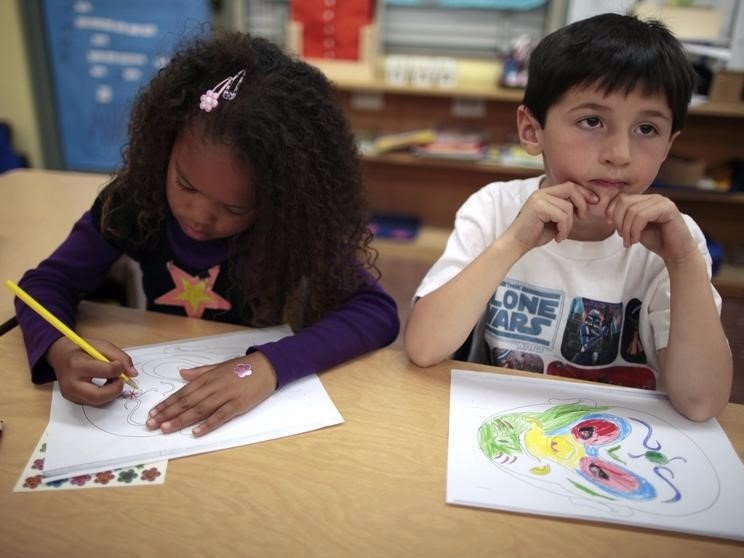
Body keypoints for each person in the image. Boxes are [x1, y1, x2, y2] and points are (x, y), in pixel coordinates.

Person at [15, 31, 400, 436]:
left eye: (233, 208)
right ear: (164, 148)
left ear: (278, 201)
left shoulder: (288, 229)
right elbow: (43, 284)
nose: (199, 216)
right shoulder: (137, 202)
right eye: (185, 185)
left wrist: (267, 366)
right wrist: (61, 348)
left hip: (248, 410)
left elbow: (376, 313)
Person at [404, 13, 732, 421]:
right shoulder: (493, 208)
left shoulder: (675, 241)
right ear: (531, 130)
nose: (620, 153)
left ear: (669, 145)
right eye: (592, 121)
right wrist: (513, 244)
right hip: (502, 425)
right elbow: (422, 347)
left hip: (618, 438)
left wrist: (683, 263)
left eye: (647, 129)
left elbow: (700, 402)